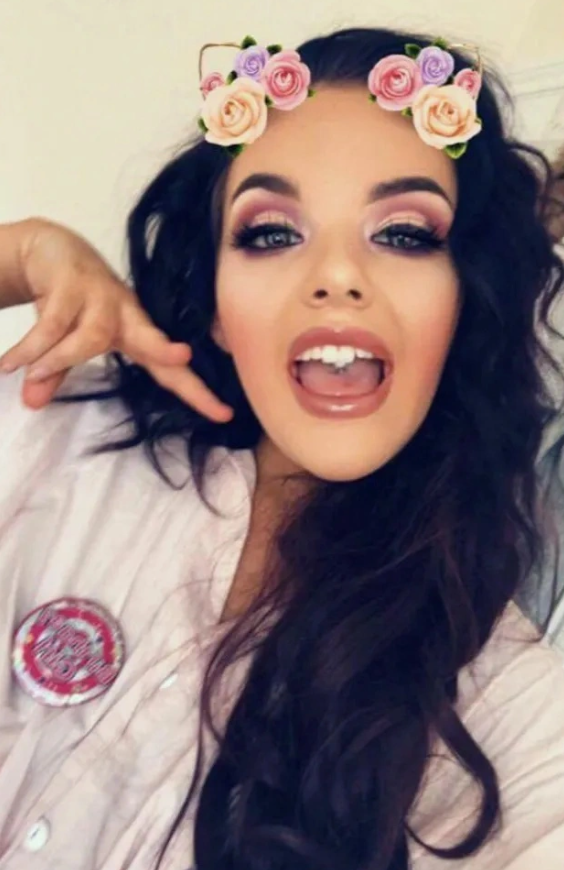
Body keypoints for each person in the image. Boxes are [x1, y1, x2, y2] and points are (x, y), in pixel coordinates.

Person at [1, 24, 564, 870]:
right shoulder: (48, 432)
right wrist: (23, 253)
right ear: (217, 311)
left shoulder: (510, 714)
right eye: (270, 233)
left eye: (405, 234)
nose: (336, 277)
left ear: (466, 306)